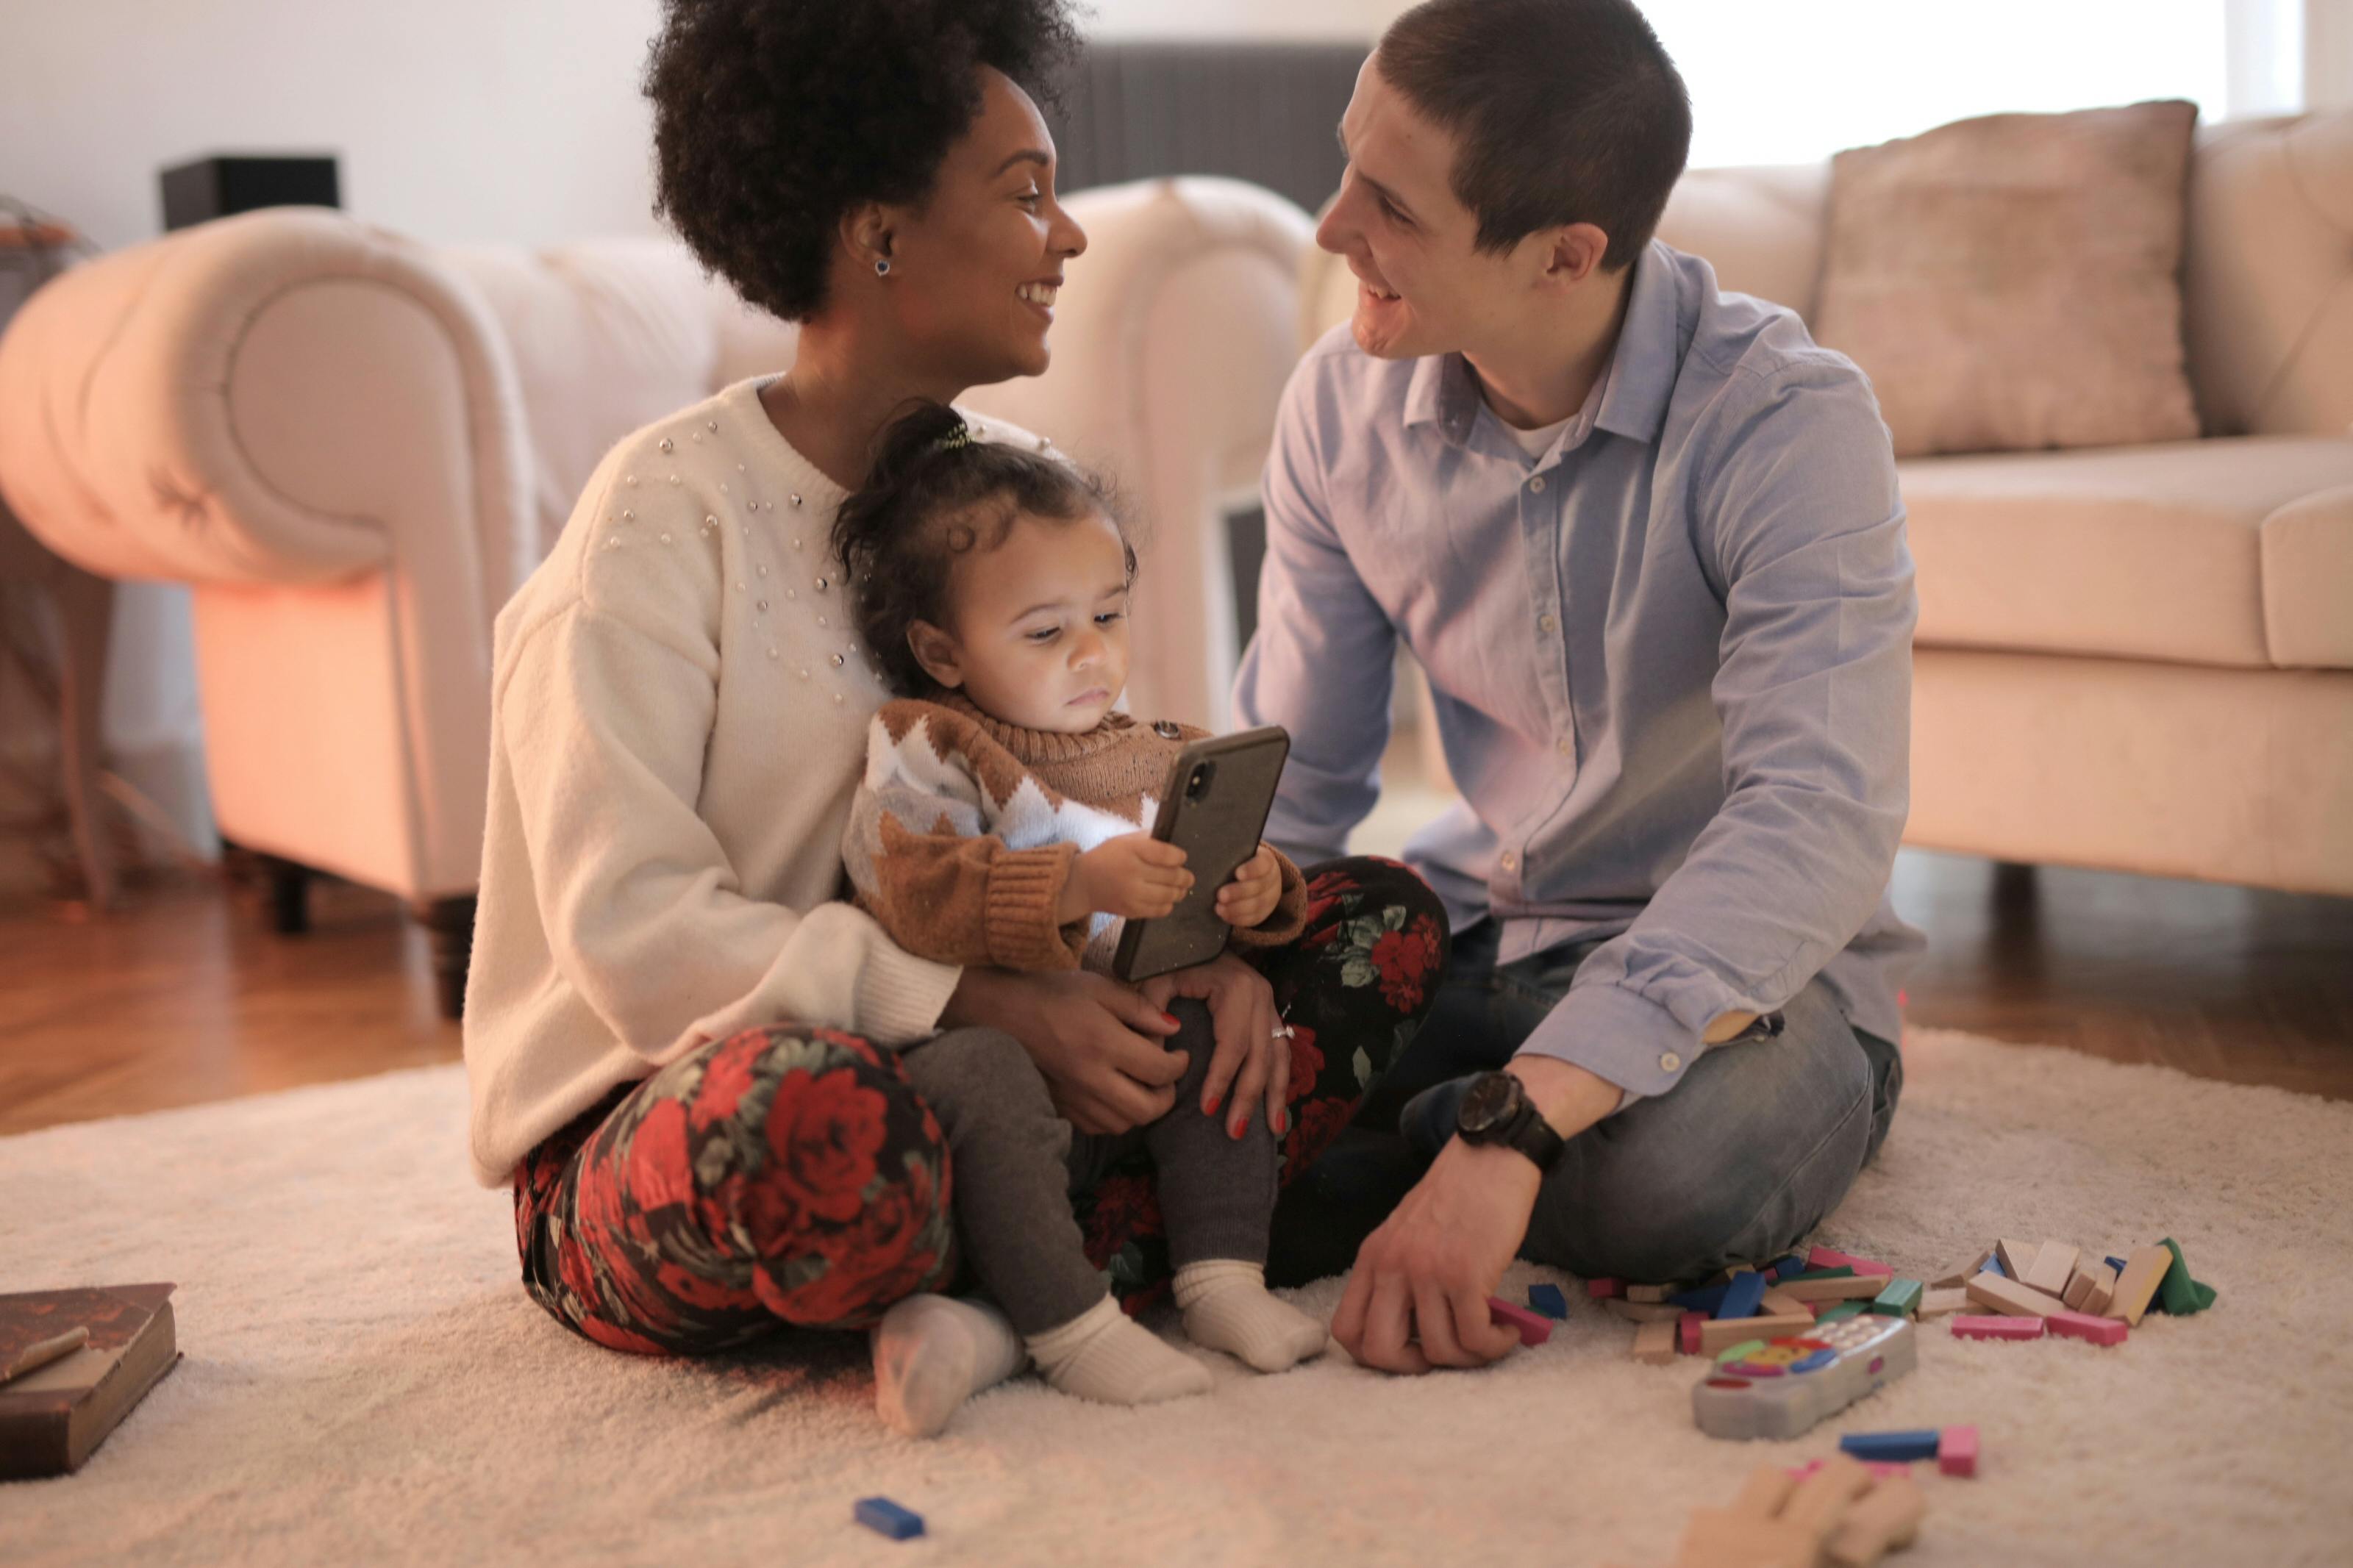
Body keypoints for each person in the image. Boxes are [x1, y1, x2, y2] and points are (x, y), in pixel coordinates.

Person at [461, 0, 1447, 1437]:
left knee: (1379, 921)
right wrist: (975, 1001)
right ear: (877, 233)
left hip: (1010, 1084)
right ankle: (1121, 1247)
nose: (1070, 237)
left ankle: (1009, 1300)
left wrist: (1204, 941)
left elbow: (1094, 776)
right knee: (820, 1127)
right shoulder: (659, 524)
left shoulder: (1024, 483)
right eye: (1024, 194)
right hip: (684, 1102)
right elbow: (638, 936)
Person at [1232, 0, 1924, 1375]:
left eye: (1392, 205)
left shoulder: (1790, 421)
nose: (1329, 228)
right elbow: (1301, 780)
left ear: (1567, 254)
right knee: (1193, 1066)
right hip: (1481, 938)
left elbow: (1814, 824)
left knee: (1690, 1177)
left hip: (1750, 988)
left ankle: (1398, 1155)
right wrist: (1223, 966)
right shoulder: (1337, 408)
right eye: (1346, 163)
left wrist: (1508, 1128)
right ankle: (1430, 1150)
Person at [830, 400, 1335, 1432]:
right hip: (1002, 1080)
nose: (1092, 654)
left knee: (1218, 1025)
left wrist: (1259, 892)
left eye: (1109, 615)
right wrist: (1073, 886)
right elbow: (909, 887)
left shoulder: (1154, 746)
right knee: (979, 1072)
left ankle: (1221, 1273)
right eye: (1046, 631)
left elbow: (1219, 872)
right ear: (942, 649)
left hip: (1137, 1071)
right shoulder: (933, 743)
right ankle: (1069, 1322)